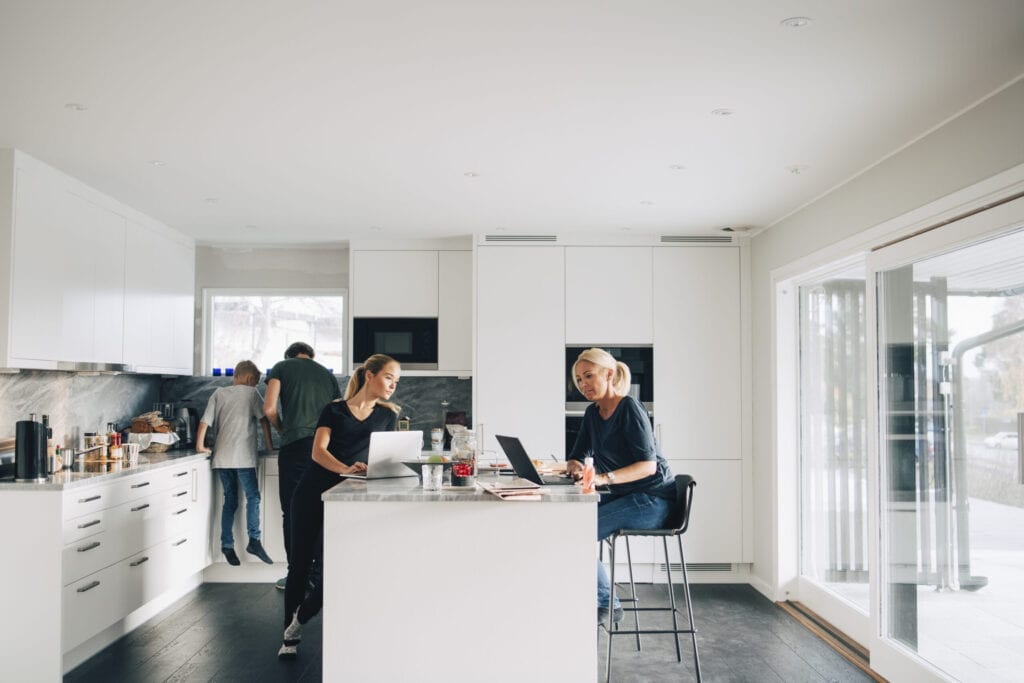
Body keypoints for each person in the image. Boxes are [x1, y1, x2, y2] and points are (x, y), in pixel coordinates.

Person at [277, 354, 401, 660]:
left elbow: (388, 459)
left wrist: (371, 469)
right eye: (388, 377)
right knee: (300, 565)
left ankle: (300, 619)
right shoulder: (333, 410)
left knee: (339, 565)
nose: (393, 385)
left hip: (348, 498)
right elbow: (318, 453)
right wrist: (347, 467)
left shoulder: (388, 416)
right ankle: (288, 638)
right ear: (370, 375)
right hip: (311, 492)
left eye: (396, 381)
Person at [566, 348, 675, 625]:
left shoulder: (629, 408)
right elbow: (577, 456)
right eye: (579, 379)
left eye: (589, 376)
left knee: (576, 532)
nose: (583, 384)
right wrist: (576, 467)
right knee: (571, 525)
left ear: (609, 374)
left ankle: (606, 603)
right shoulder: (593, 413)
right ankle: (586, 598)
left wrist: (604, 478)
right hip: (627, 497)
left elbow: (648, 466)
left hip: (654, 500)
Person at [264, 341, 341, 589]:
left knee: (293, 511)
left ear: (288, 355)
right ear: (311, 356)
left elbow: (269, 409)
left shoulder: (281, 367)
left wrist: (282, 429)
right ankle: (319, 575)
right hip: (324, 449)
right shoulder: (327, 375)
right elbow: (338, 414)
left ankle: (297, 575)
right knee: (322, 510)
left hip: (295, 446)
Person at [196, 360, 276, 566]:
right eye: (256, 382)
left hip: (222, 456)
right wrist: (269, 445)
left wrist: (200, 446)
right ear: (250, 379)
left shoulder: (218, 393)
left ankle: (227, 545)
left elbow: (205, 421)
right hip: (243, 456)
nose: (256, 385)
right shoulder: (251, 393)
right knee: (253, 497)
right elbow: (264, 420)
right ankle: (254, 540)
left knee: (230, 501)